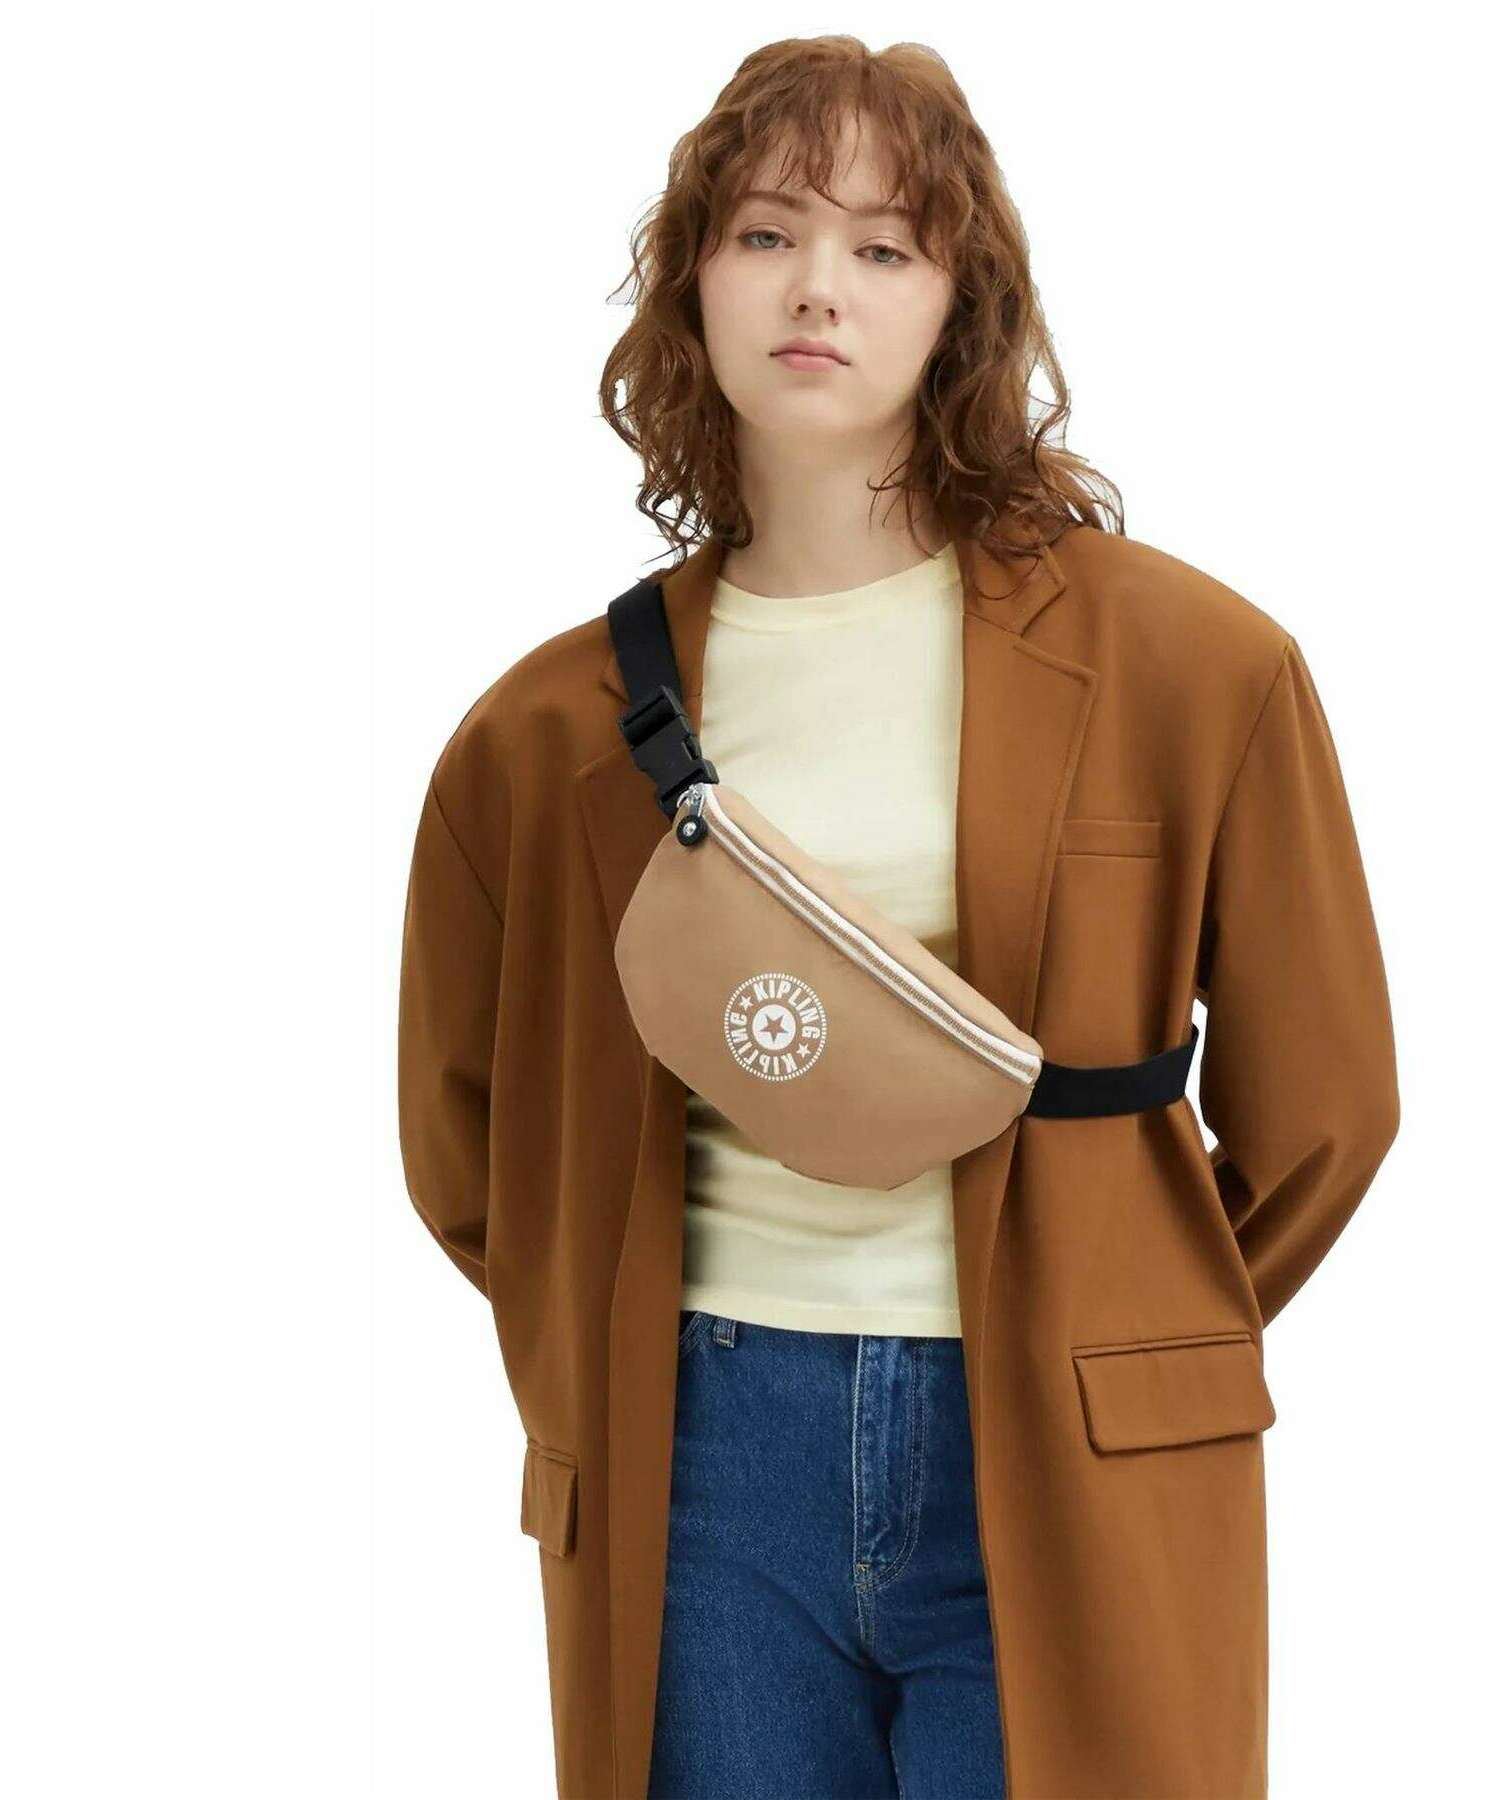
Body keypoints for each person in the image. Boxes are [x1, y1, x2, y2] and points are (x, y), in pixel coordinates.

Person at [398, 36, 1399, 1800]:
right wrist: (619, 1342)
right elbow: (464, 1146)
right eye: (766, 232)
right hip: (702, 1465)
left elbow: (1330, 1107)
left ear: (961, 306)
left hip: (1067, 1458)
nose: (818, 288)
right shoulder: (543, 735)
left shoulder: (1193, 665)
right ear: (690, 282)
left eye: (883, 246)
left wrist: (1123, 1323)